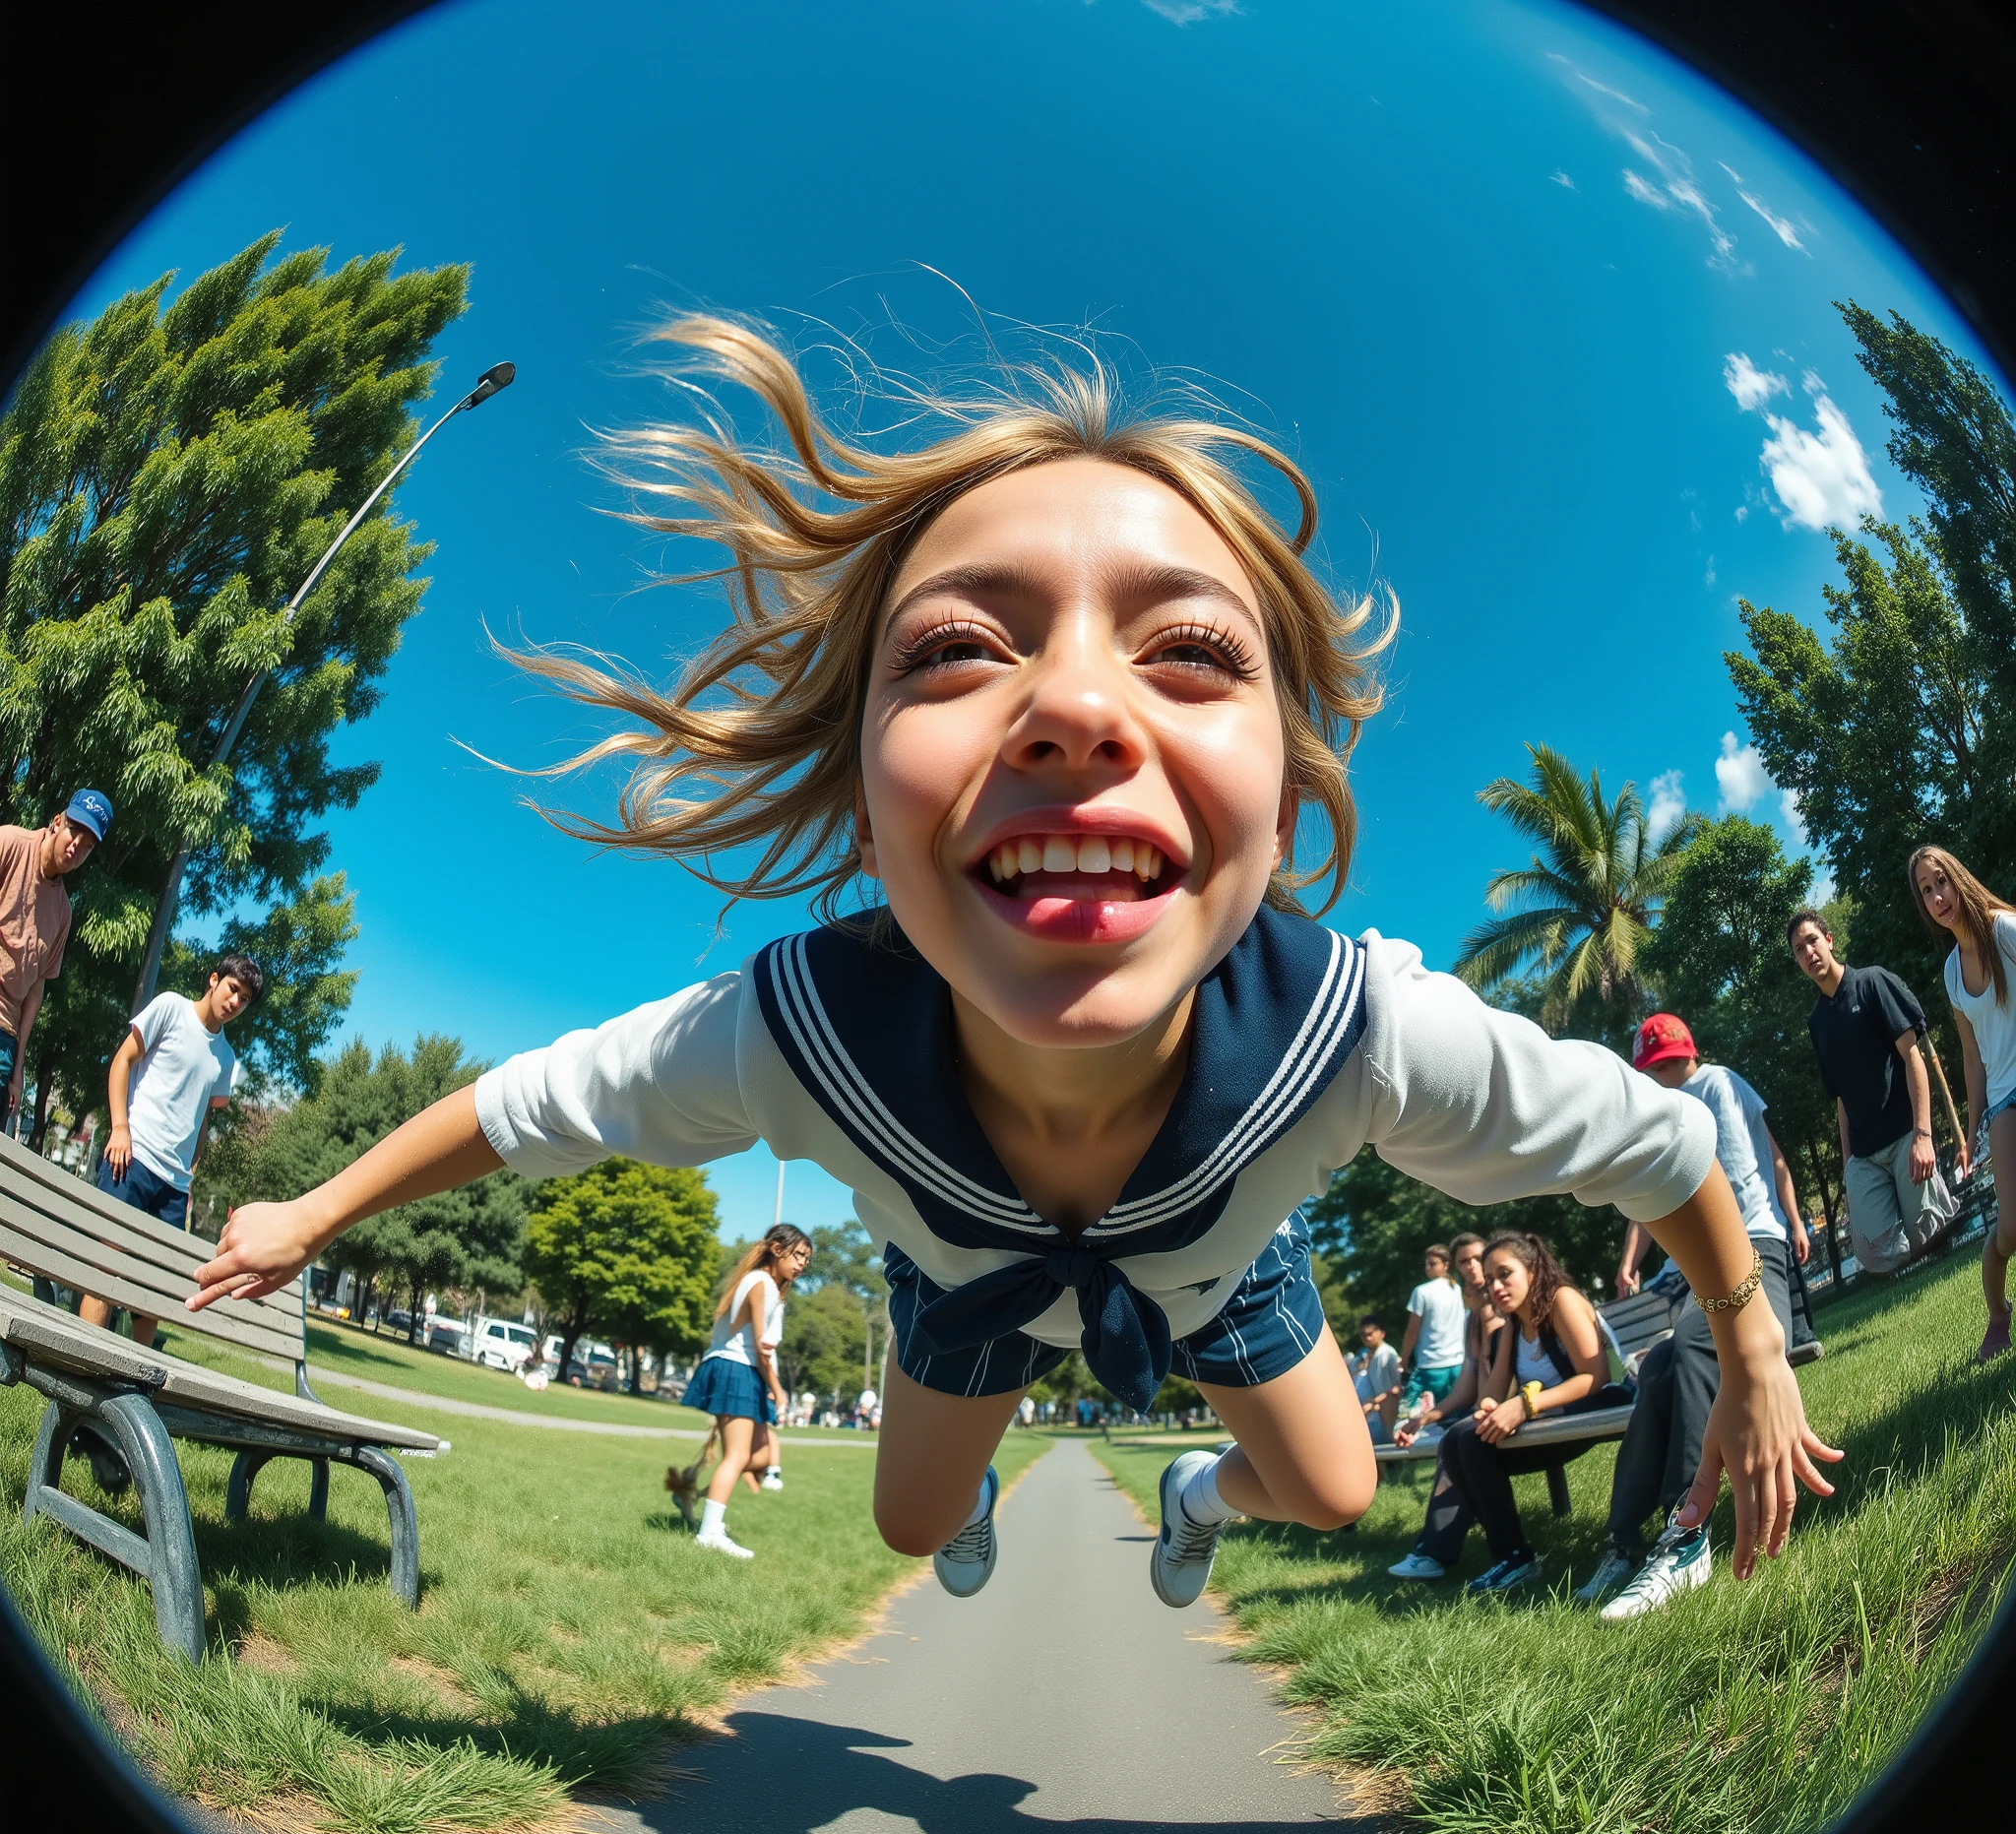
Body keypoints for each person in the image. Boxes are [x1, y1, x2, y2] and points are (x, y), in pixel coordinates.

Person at [192, 315, 1835, 1613]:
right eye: (963, 647)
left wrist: (1751, 1349)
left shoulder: (1360, 1035)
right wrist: (313, 1208)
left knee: (1333, 1490)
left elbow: (1663, 1143)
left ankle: (1192, 1496)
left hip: (1222, 1266)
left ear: (1281, 801)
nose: (1074, 707)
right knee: (913, 1524)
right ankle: (962, 1480)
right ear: (862, 791)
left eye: (1187, 649)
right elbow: (527, 1105)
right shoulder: (794, 1034)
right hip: (959, 1287)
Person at [1578, 1014, 1812, 1619]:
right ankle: (1625, 1542)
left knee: (1692, 1344)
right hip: (1700, 1259)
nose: (1660, 1081)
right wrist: (1633, 1260)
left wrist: (1792, 1222)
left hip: (1746, 1246)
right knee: (1658, 1367)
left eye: (1665, 1069)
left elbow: (1738, 1175)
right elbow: (1658, 1195)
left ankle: (1688, 1535)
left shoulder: (1715, 1085)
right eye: (1651, 1074)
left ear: (1688, 1057)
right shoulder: (1673, 1107)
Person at [1434, 1232, 1643, 1593]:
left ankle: (1513, 1556)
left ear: (1531, 1271)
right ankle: (1511, 1557)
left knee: (1471, 1442)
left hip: (1602, 1401)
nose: (1496, 1286)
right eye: (1491, 1278)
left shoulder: (1561, 1301)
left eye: (1505, 1274)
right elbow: (1495, 1392)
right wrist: (1487, 1409)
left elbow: (1596, 1377)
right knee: (1458, 1439)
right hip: (1551, 1413)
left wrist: (1526, 1405)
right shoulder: (1512, 1323)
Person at [78, 956, 262, 1341]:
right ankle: (76, 1372)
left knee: (153, 1292)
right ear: (214, 980)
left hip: (174, 1188)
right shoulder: (170, 1007)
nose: (235, 1002)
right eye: (232, 989)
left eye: (244, 999)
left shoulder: (225, 1059)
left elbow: (201, 1120)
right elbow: (122, 1061)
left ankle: (133, 1385)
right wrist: (119, 1128)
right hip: (131, 1159)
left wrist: (189, 1176)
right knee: (107, 1268)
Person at [1790, 908, 1953, 1277]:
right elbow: (1841, 1101)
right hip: (1864, 1154)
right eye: (1799, 949)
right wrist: (1849, 1169)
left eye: (1812, 940)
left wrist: (1923, 1136)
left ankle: (1936, 1223)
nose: (1808, 952)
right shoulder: (1817, 1023)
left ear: (1829, 941)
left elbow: (1914, 1057)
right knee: (1871, 1254)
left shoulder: (1873, 982)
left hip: (1905, 1135)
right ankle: (1914, 1260)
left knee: (1931, 1235)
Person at [1910, 846, 2016, 1362]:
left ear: (1959, 879)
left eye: (1940, 882)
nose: (1936, 897)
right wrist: (1971, 1133)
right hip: (2003, 1097)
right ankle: (2000, 1313)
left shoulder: (2005, 931)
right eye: (1926, 891)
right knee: (2012, 1226)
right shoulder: (1952, 973)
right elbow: (1972, 1062)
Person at [673, 1225, 808, 1556]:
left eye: (807, 1259)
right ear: (777, 1249)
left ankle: (696, 1498)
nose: (803, 1264)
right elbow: (762, 1348)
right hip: (738, 1370)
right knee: (736, 1457)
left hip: (745, 1373)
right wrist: (779, 1389)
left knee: (759, 1456)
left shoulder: (769, 1287)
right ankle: (709, 1533)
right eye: (798, 1255)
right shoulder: (761, 1284)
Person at [1386, 1231, 1507, 1579]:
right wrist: (1422, 1419)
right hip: (1484, 1409)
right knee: (1453, 1435)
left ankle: (1436, 1551)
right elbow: (1467, 1389)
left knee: (1460, 1439)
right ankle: (1436, 1551)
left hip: (1514, 1410)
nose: (1471, 1268)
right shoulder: (1474, 1319)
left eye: (1476, 1259)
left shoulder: (1503, 1313)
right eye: (1463, 1262)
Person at [0, 791, 111, 1126]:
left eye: (88, 844)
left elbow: (35, 990)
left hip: (4, 1036)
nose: (77, 845)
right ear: (57, 821)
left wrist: (18, 1068)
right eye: (75, 830)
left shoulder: (63, 911)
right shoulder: (10, 843)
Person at [1397, 1244, 1467, 1423]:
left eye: (1432, 1263)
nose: (1428, 1268)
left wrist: (1404, 1359)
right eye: (1426, 1264)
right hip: (1458, 1363)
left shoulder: (1421, 1291)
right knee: (1457, 1416)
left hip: (1431, 1365)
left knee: (1408, 1416)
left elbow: (1412, 1331)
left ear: (1446, 1265)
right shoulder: (1457, 1289)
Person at [1351, 1315, 1403, 1440]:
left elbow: (1397, 1386)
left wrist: (1373, 1403)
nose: (1367, 1338)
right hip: (1374, 1411)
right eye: (1363, 1335)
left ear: (1381, 1333)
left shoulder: (1388, 1355)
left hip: (1389, 1410)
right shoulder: (1364, 1355)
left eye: (1370, 1334)